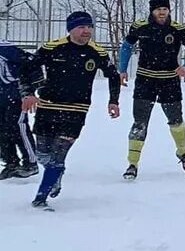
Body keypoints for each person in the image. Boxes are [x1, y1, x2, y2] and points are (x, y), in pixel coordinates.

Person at [19, 11, 121, 209]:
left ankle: (41, 197)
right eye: (82, 27)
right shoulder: (52, 48)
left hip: (76, 110)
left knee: (58, 154)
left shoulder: (97, 52)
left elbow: (113, 76)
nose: (87, 31)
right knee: (43, 154)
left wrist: (113, 101)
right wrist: (28, 93)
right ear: (71, 29)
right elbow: (26, 68)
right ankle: (56, 174)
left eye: (89, 27)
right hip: (48, 106)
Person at [118, 0, 185, 180]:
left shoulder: (178, 29)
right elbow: (126, 47)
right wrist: (122, 69)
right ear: (152, 11)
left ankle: (182, 152)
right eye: (158, 9)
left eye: (165, 9)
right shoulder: (140, 26)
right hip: (145, 80)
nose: (162, 12)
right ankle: (132, 164)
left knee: (176, 120)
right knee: (139, 123)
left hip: (169, 81)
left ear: (169, 10)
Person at [0, 39, 37, 179]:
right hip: (2, 97)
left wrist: (29, 90)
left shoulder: (5, 48)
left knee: (18, 126)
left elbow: (31, 62)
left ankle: (31, 162)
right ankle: (11, 162)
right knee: (3, 129)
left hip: (15, 95)